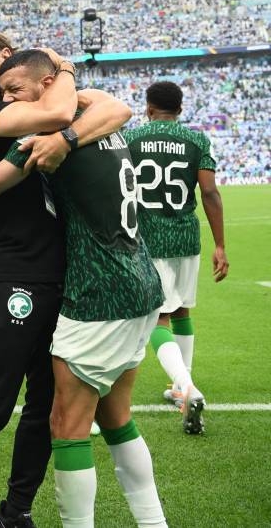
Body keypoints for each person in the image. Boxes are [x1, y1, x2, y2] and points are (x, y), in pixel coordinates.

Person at [0, 28, 131, 528]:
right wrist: (64, 73)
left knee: (45, 407)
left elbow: (117, 109)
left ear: (6, 56)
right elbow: (59, 113)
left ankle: (15, 510)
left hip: (67, 279)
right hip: (16, 279)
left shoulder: (28, 95)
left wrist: (66, 130)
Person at [125, 80, 229, 434]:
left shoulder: (133, 138)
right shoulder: (197, 140)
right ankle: (180, 384)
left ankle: (185, 387)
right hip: (187, 236)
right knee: (181, 309)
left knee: (157, 319)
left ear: (149, 108)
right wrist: (220, 245)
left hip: (148, 238)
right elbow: (210, 193)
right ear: (180, 110)